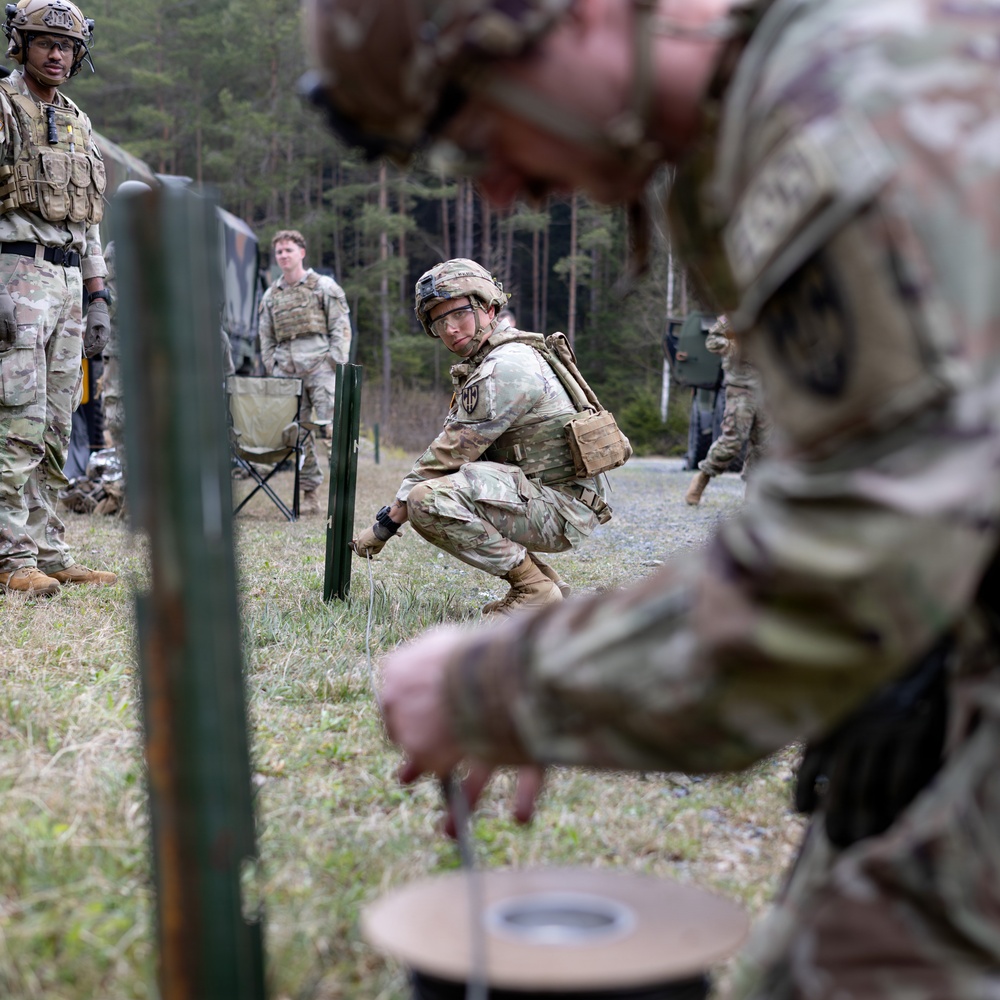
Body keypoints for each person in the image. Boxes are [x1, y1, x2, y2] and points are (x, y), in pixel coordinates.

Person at [307, 0, 1000, 997]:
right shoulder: (753, 123)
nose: (498, 190)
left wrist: (508, 683)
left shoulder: (847, 98)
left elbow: (860, 561)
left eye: (475, 125)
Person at [351, 258, 612, 615]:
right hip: (553, 499)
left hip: (561, 508)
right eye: (439, 322)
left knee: (427, 499)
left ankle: (533, 589)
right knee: (455, 486)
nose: (449, 329)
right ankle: (548, 583)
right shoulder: (500, 357)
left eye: (458, 314)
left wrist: (384, 526)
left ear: (489, 308)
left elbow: (447, 455)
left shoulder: (506, 367)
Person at [0, 0, 114, 597]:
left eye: (68, 46)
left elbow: (89, 219)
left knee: (52, 425)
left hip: (69, 286)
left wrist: (98, 296)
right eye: (45, 42)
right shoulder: (2, 107)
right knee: (15, 422)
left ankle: (48, 548)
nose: (58, 54)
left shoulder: (77, 120)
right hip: (15, 275)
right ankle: (8, 555)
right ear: (21, 44)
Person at [257, 229, 351, 515]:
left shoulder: (324, 287)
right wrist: (272, 365)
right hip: (288, 373)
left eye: (288, 250)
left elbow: (340, 327)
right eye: (279, 252)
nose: (283, 255)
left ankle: (341, 496)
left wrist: (334, 362)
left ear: (301, 252)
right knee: (298, 436)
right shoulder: (271, 295)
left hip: (321, 370)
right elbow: (266, 336)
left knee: (332, 432)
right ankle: (310, 495)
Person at [684, 315, 767, 505]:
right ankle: (702, 478)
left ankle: (753, 497)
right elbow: (712, 341)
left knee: (764, 446)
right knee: (733, 440)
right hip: (741, 388)